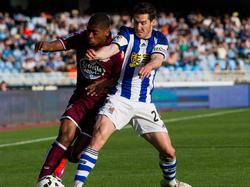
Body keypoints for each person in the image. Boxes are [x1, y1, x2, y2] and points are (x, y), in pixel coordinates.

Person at [73, 2, 191, 187]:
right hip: (120, 99)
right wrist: (98, 54)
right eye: (136, 22)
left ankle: (171, 182)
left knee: (169, 152)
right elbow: (113, 48)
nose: (139, 27)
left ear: (153, 22)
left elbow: (158, 58)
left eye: (143, 22)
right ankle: (77, 185)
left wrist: (150, 65)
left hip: (144, 104)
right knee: (98, 137)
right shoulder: (127, 34)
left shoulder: (160, 38)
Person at [34, 13, 123, 184]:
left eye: (94, 32)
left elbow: (123, 77)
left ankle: (62, 156)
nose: (90, 35)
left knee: (77, 155)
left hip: (101, 106)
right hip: (81, 98)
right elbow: (62, 43)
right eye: (88, 31)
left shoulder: (117, 48)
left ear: (106, 32)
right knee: (65, 134)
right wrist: (46, 45)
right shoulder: (82, 38)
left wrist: (105, 83)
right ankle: (43, 180)